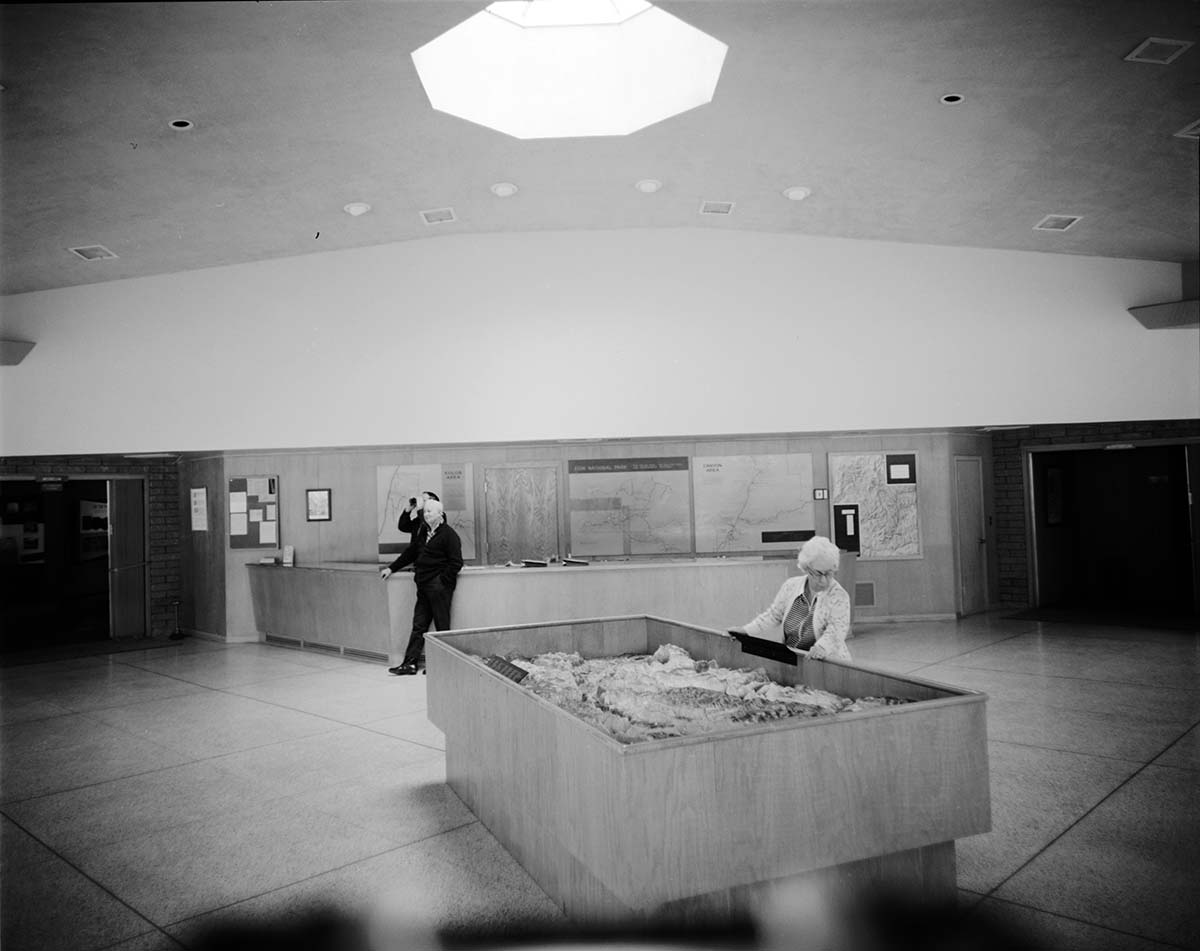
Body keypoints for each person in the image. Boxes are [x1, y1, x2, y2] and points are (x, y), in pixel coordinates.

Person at [728, 535, 852, 661]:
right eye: (818, 573)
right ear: (807, 568)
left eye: (829, 573)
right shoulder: (791, 586)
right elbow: (773, 616)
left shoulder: (839, 595)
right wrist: (746, 630)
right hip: (795, 659)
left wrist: (821, 648)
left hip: (829, 663)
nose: (824, 580)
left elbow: (836, 631)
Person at [380, 498, 462, 675]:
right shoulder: (423, 532)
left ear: (440, 514)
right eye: (425, 512)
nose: (426, 514)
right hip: (423, 586)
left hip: (438, 587)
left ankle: (442, 664)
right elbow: (410, 553)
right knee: (419, 625)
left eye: (429, 512)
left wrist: (442, 582)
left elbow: (456, 563)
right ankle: (410, 663)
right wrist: (391, 568)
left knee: (442, 626)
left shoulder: (449, 535)